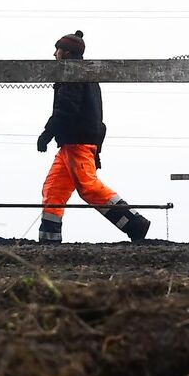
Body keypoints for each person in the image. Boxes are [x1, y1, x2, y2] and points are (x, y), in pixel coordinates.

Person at [36, 31, 150, 243]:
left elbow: (66, 109)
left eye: (57, 50)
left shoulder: (73, 75)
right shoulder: (86, 75)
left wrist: (47, 134)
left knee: (89, 187)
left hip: (77, 142)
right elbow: (90, 116)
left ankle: (135, 223)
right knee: (53, 190)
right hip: (72, 144)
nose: (54, 54)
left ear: (66, 52)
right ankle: (48, 242)